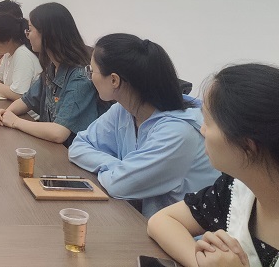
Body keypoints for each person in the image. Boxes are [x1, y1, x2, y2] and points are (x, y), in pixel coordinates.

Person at [68, 34, 219, 218]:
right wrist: (118, 167)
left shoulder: (178, 132)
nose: (89, 77)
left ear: (114, 80)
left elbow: (119, 186)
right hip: (140, 219)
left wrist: (122, 173)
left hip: (183, 233)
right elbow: (78, 146)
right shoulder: (123, 111)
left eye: (92, 71)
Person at [147, 63, 279, 267]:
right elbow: (161, 221)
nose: (202, 130)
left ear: (247, 146)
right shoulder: (235, 190)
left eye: (208, 122)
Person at [0, 2, 108, 147]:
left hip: (70, 153)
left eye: (30, 30)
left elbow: (59, 133)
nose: (27, 35)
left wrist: (15, 121)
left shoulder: (80, 77)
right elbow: (27, 101)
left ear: (48, 34)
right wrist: (6, 113)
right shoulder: (52, 67)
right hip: (51, 148)